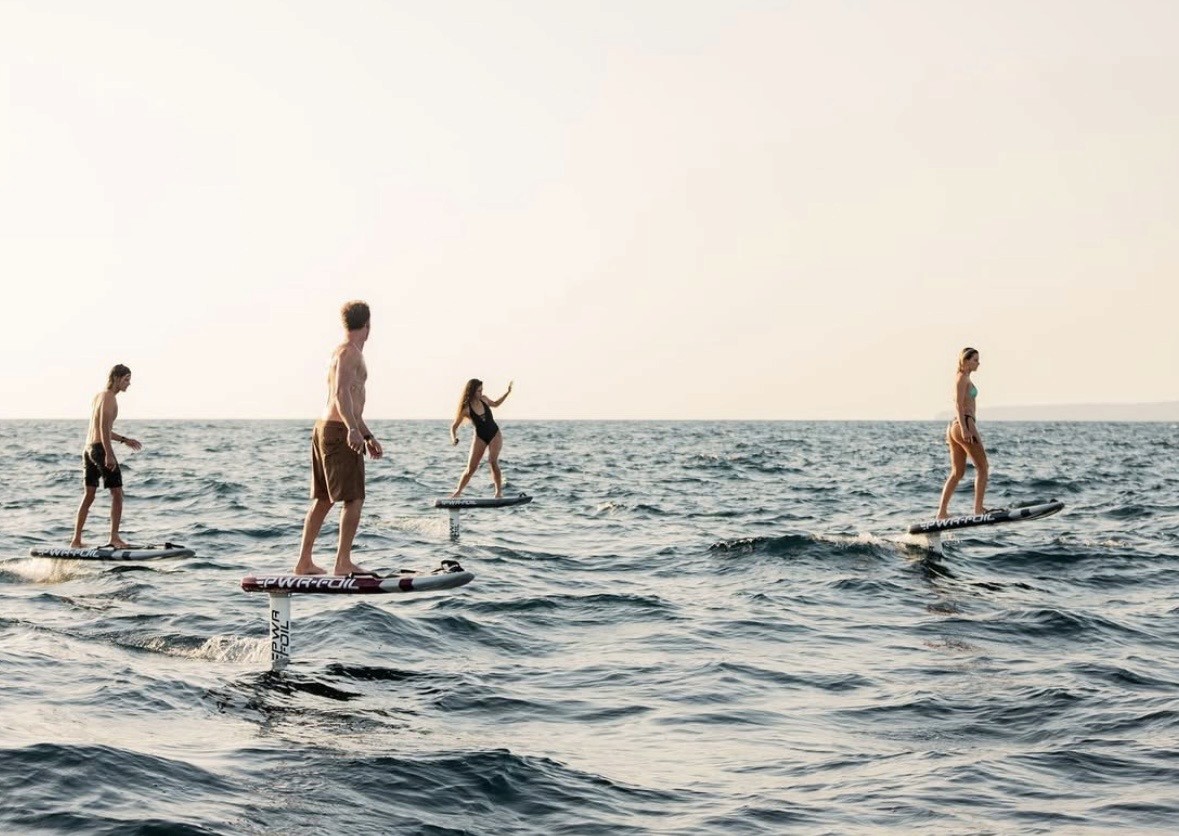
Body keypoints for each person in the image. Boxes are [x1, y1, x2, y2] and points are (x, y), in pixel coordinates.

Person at [292, 301, 384, 576]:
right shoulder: (350, 353)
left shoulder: (341, 352)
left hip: (328, 427)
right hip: (337, 430)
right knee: (354, 498)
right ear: (367, 325)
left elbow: (350, 402)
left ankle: (304, 562)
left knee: (324, 499)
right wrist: (352, 430)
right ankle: (343, 562)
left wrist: (366, 433)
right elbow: (342, 395)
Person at [71, 364, 143, 548]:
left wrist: (124, 439)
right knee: (117, 493)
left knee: (89, 494)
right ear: (117, 378)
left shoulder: (99, 396)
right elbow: (103, 428)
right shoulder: (110, 398)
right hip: (99, 449)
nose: (129, 383)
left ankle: (76, 540)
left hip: (88, 449)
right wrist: (109, 455)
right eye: (126, 379)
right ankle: (114, 538)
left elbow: (101, 428)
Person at [936, 347, 989, 519]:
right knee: (983, 467)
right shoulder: (961, 378)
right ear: (965, 361)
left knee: (957, 473)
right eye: (975, 360)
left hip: (956, 426)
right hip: (964, 423)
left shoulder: (964, 378)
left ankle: (942, 513)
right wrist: (966, 429)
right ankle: (978, 509)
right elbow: (958, 404)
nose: (978, 363)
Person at [449, 378, 513, 498]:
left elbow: (496, 404)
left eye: (481, 390)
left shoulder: (484, 399)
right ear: (472, 391)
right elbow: (454, 427)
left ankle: (498, 493)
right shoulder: (466, 409)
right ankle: (457, 492)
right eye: (479, 390)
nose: (481, 392)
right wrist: (454, 438)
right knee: (471, 468)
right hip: (480, 437)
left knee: (492, 461)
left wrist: (507, 393)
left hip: (495, 433)